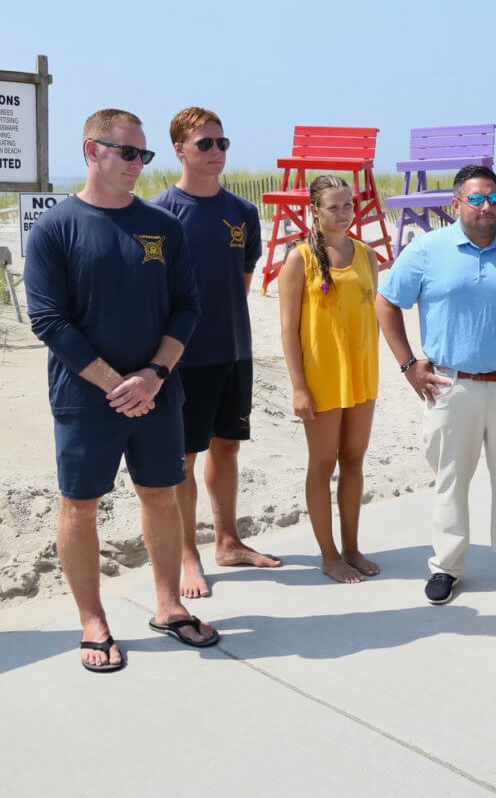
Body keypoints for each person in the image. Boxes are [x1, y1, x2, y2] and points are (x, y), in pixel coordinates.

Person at [24, 108, 218, 672]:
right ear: (93, 150)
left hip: (157, 391)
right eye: (127, 152)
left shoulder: (163, 226)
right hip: (87, 397)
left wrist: (153, 376)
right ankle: (93, 621)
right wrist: (117, 384)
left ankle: (169, 605)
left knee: (161, 493)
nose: (138, 164)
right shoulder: (56, 227)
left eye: (144, 155)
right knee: (80, 507)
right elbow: (49, 321)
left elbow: (188, 307)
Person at [376, 165, 496, 605]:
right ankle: (447, 566)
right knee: (452, 480)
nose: (486, 206)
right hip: (451, 386)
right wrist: (408, 363)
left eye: (493, 197)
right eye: (476, 198)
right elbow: (387, 302)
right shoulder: (427, 250)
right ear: (456, 205)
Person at [151, 107, 280, 600]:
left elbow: (239, 285)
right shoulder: (160, 214)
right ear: (180, 149)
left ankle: (228, 541)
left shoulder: (243, 214)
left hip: (233, 349)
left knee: (228, 445)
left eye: (222, 143)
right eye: (205, 143)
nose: (216, 152)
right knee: (183, 457)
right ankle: (189, 554)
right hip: (183, 357)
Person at [278, 175, 381, 584]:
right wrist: (299, 387)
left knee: (354, 463)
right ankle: (328, 554)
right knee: (322, 464)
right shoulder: (299, 259)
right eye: (334, 207)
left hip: (361, 376)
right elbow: (288, 330)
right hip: (321, 379)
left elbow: (371, 316)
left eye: (348, 205)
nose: (343, 214)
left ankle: (352, 547)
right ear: (315, 212)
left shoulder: (367, 255)